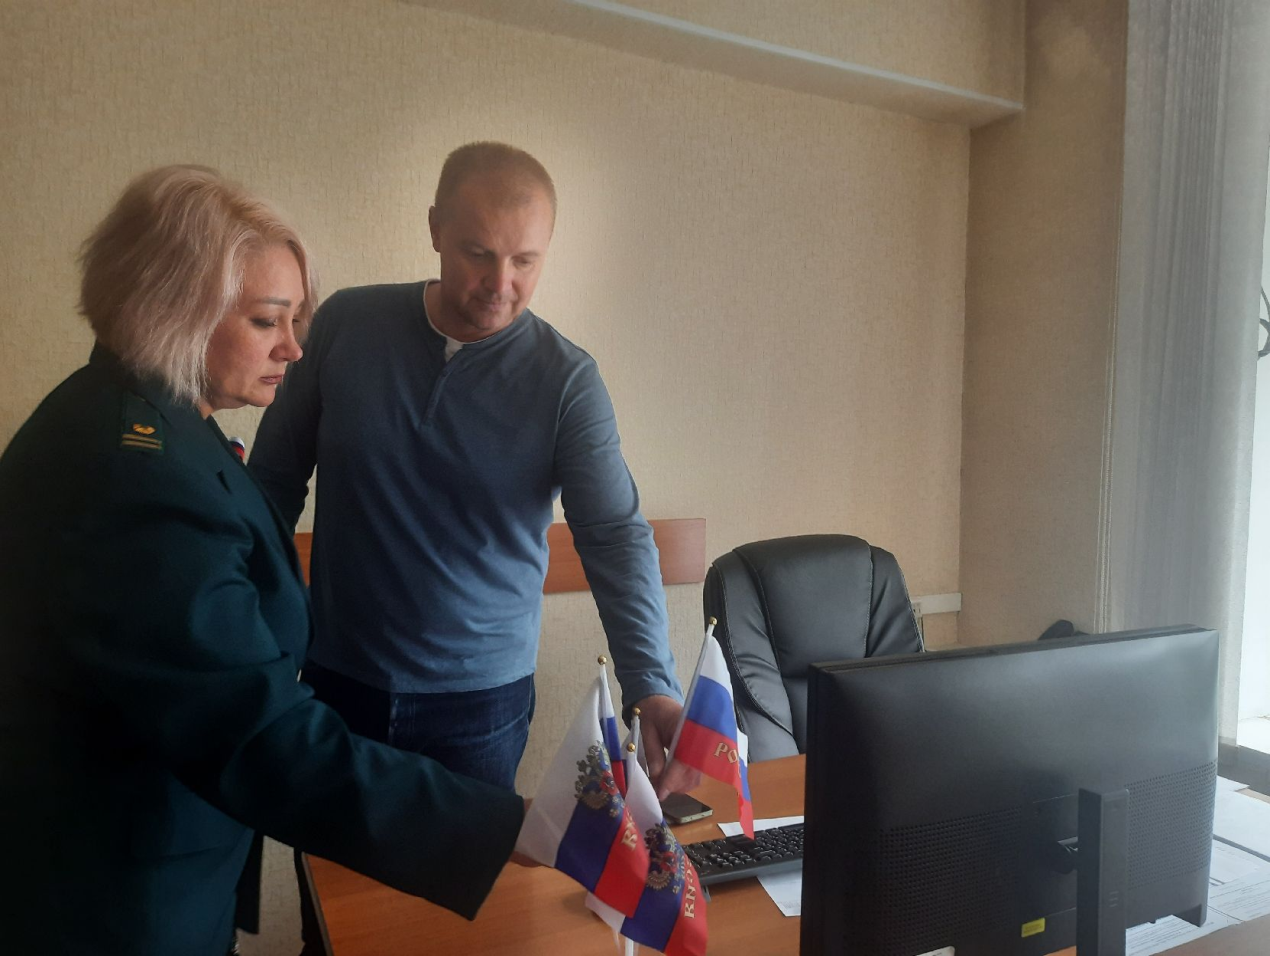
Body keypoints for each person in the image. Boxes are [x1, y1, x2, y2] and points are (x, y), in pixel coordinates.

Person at [0, 165, 525, 956]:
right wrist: (505, 828)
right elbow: (253, 733)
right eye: (265, 320)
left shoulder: (150, 420)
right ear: (171, 309)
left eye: (295, 319)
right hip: (111, 902)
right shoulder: (134, 475)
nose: (293, 346)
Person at [250, 142, 695, 794]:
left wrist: (651, 681)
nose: (499, 283)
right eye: (478, 253)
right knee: (331, 861)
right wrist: (249, 633)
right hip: (337, 680)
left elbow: (614, 537)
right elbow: (270, 483)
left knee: (465, 864)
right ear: (436, 229)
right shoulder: (346, 323)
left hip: (480, 706)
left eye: (525, 261)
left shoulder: (567, 382)